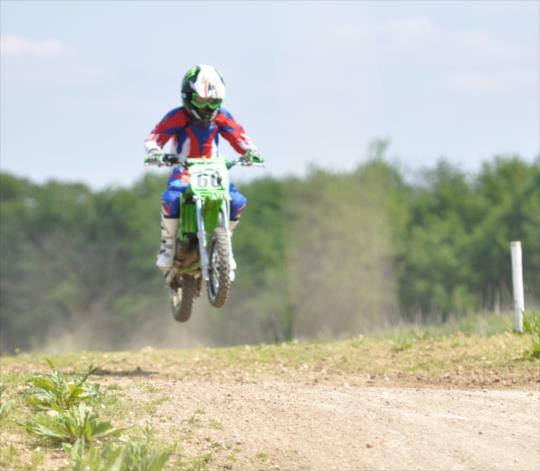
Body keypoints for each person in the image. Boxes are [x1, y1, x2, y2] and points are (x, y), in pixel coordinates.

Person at [144, 64, 263, 271]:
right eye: (201, 101)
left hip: (214, 169)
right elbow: (154, 137)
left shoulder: (221, 116)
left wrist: (250, 151)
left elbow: (239, 136)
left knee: (236, 201)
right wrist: (155, 152)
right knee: (171, 198)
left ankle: (225, 246)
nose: (206, 108)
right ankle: (168, 246)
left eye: (213, 102)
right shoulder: (178, 116)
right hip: (184, 170)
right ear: (188, 96)